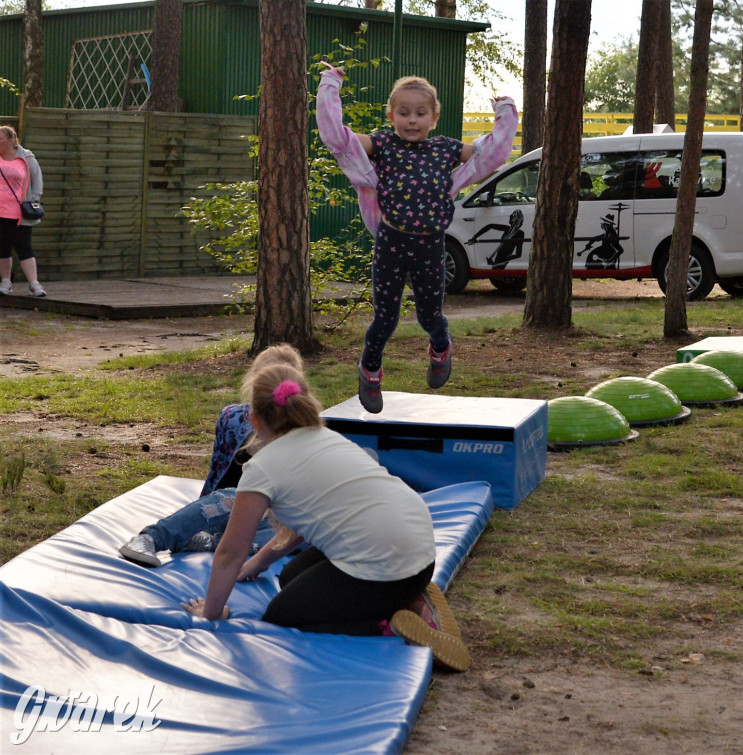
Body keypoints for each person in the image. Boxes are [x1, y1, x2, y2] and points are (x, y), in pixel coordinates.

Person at [181, 351, 471, 671]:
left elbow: (228, 554)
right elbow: (308, 522)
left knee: (282, 616)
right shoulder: (326, 437)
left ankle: (391, 623)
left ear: (253, 418)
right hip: (420, 553)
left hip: (391, 566)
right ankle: (411, 595)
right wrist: (260, 562)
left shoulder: (261, 469)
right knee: (290, 577)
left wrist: (212, 612)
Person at [316, 62, 518, 413]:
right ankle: (370, 368)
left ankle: (441, 347)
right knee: (386, 317)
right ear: (392, 115)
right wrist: (330, 84)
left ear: (434, 117)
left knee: (430, 316)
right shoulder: (381, 144)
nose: (412, 120)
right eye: (404, 113)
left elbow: (492, 154)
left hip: (430, 244)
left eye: (420, 113)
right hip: (392, 242)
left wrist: (505, 111)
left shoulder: (445, 149)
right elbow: (338, 138)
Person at [119, 344, 303, 567]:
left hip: (268, 523)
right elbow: (217, 474)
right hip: (228, 509)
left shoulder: (301, 430)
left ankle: (207, 542)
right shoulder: (233, 418)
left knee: (286, 538)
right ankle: (150, 537)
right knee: (234, 498)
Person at [0, 125, 46, 297]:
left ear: (11, 140)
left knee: (24, 247)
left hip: (20, 214)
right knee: (2, 248)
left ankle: (34, 284)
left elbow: (37, 181)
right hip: (0, 213)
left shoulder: (27, 157)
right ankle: (5, 282)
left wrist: (33, 201)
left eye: (0, 139)